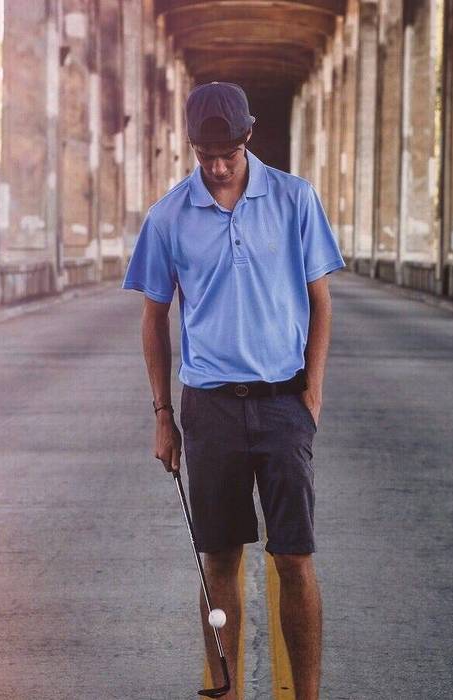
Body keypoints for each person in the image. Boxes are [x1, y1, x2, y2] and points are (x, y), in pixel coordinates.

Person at [122, 81, 344, 700]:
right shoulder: (168, 217)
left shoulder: (296, 200)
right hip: (211, 408)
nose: (217, 167)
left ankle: (306, 696)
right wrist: (164, 416)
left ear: (249, 138)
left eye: (228, 153)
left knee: (293, 558)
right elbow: (153, 317)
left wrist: (313, 396)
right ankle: (228, 692)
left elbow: (321, 302)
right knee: (218, 560)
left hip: (282, 404)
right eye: (204, 155)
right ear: (192, 147)